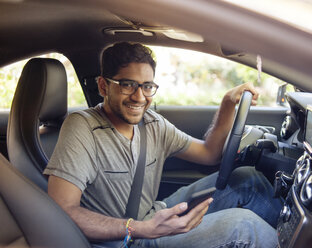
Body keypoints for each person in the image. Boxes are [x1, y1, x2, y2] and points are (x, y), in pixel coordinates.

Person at [44, 42, 282, 248]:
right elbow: (62, 210)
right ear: (104, 86)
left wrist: (228, 104)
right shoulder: (82, 126)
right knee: (245, 227)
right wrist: (139, 228)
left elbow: (209, 154)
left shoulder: (153, 124)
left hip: (152, 216)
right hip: (125, 240)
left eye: (147, 86)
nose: (139, 97)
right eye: (128, 84)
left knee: (247, 179)